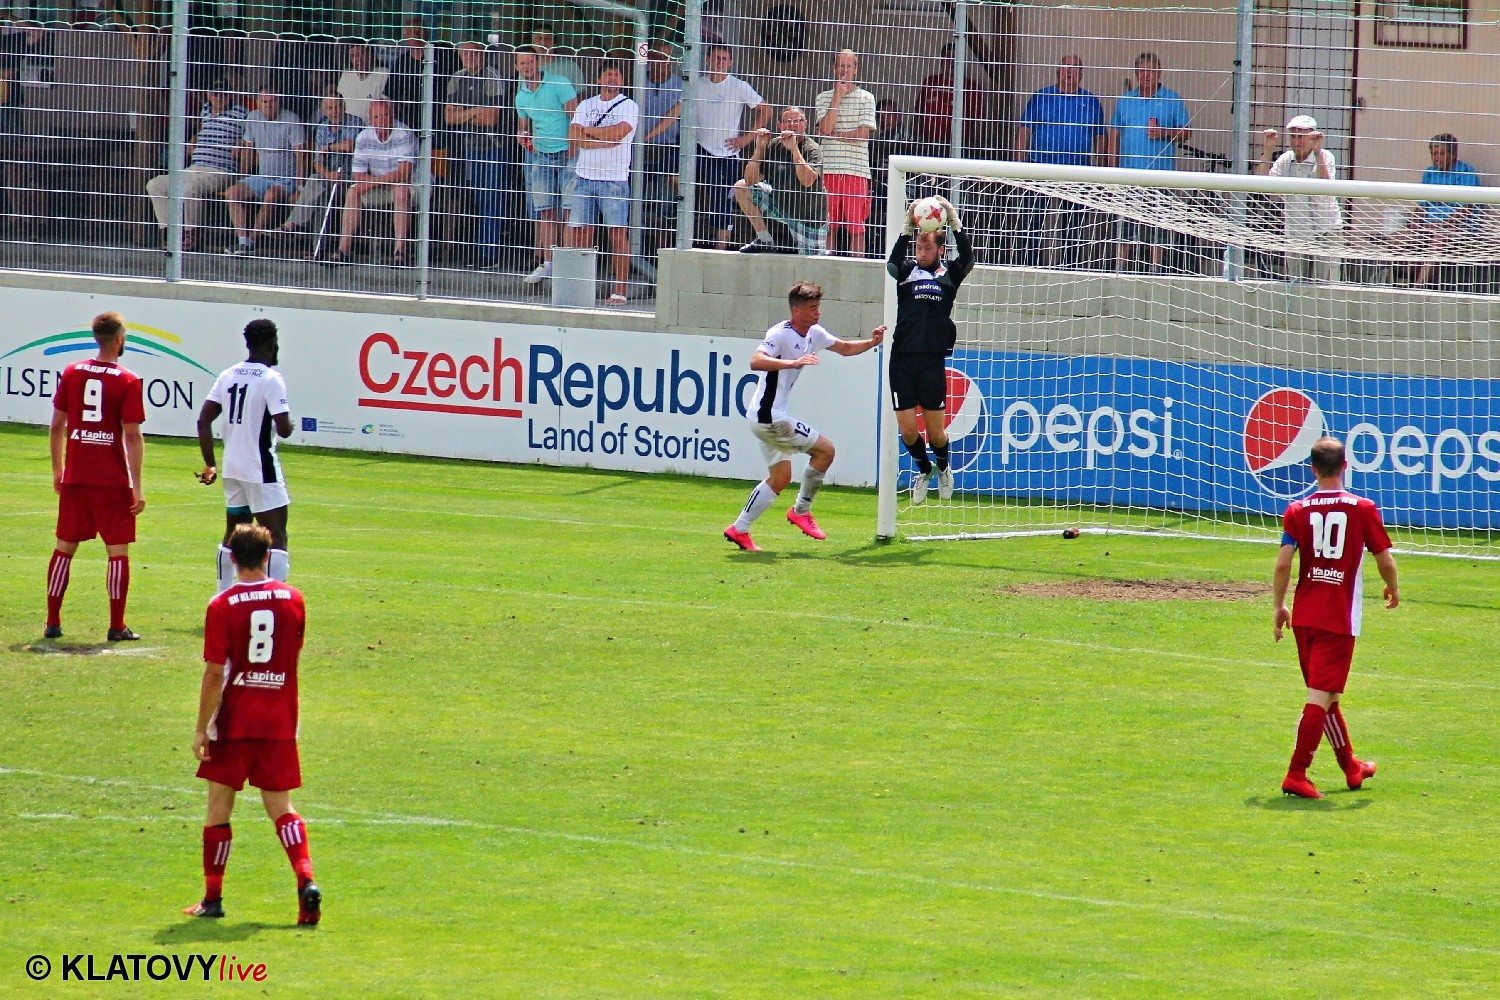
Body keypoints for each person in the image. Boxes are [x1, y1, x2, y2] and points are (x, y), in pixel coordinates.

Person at [183, 523, 319, 926]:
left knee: (218, 806)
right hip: (280, 718)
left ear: (231, 558)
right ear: (268, 556)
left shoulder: (222, 605)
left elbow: (214, 673)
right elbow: (293, 652)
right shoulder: (294, 598)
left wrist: (201, 727)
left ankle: (212, 898)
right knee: (282, 808)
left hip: (235, 720)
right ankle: (306, 879)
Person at [1273, 436, 1400, 800]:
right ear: (1345, 466)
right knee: (1320, 696)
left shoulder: (1296, 510)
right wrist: (1393, 587)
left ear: (1312, 469)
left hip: (1304, 615)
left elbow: (1283, 564)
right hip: (1338, 619)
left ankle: (1350, 766)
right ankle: (1296, 773)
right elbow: (1384, 559)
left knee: (1327, 696)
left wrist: (1279, 606)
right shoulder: (1362, 508)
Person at [723, 281, 884, 552]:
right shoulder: (780, 334)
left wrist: (872, 342)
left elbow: (845, 348)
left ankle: (739, 529)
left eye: (818, 307)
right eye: (812, 308)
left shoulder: (814, 333)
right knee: (826, 451)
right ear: (796, 311)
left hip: (764, 417)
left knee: (780, 478)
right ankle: (801, 511)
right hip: (770, 418)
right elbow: (755, 361)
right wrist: (793, 362)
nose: (817, 312)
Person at [44, 310, 146, 642]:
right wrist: (137, 487)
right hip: (112, 479)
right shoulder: (128, 380)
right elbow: (132, 435)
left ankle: (52, 621)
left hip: (77, 476)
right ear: (119, 339)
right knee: (117, 551)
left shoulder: (72, 372)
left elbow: (57, 425)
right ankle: (116, 625)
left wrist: (58, 469)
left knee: (64, 547)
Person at [886, 196, 973, 503]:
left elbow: (968, 259)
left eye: (927, 248)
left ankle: (944, 468)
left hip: (932, 361)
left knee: (936, 433)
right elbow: (892, 264)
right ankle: (924, 470)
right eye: (918, 247)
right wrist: (907, 226)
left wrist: (953, 219)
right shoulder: (907, 271)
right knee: (908, 431)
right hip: (901, 359)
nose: (921, 253)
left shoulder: (949, 274)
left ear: (940, 250)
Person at [197, 319, 294, 594]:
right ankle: (274, 598)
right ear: (272, 344)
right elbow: (284, 429)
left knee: (234, 534)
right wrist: (290, 424)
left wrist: (210, 463)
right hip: (261, 469)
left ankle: (222, 596)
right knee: (276, 536)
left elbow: (203, 420)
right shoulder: (271, 379)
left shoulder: (228, 375)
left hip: (233, 467)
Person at [1016, 55, 1106, 267]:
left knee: (1073, 227)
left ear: (1081, 75)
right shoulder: (1041, 97)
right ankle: (1030, 267)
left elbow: (1100, 137)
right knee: (1032, 223)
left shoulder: (1091, 101)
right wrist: (1018, 168)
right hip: (1040, 169)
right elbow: (1024, 131)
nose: (1069, 72)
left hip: (1077, 172)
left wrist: (1101, 173)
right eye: (1065, 67)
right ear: (1057, 72)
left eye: (1075, 68)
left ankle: (1070, 268)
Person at [1107, 53, 1190, 271]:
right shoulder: (1125, 100)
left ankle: (1155, 270)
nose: (1146, 75)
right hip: (1128, 176)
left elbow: (1187, 132)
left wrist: (1163, 132)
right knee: (1125, 228)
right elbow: (1114, 134)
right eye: (1141, 71)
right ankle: (1120, 270)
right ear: (1136, 73)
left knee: (1158, 228)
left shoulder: (1172, 99)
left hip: (1160, 177)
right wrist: (1111, 170)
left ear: (1159, 73)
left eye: (1150, 71)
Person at [144, 79, 247, 252]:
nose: (219, 98)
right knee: (155, 184)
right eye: (215, 94)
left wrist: (242, 142)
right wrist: (194, 138)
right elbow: (202, 129)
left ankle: (191, 234)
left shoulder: (241, 113)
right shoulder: (205, 110)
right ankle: (171, 232)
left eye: (224, 94)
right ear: (208, 95)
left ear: (230, 96)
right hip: (195, 167)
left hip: (220, 171)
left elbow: (252, 135)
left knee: (188, 188)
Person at [567, 61, 639, 305]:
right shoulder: (586, 104)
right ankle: (582, 288)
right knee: (581, 232)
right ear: (599, 79)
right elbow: (574, 136)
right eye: (608, 74)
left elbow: (618, 134)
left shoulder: (629, 105)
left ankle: (620, 290)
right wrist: (601, 139)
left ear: (622, 80)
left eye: (617, 74)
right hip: (584, 177)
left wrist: (588, 131)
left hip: (614, 180)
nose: (613, 78)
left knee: (617, 234)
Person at [689, 45, 770, 249]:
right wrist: (650, 134)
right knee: (674, 176)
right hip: (699, 149)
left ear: (730, 62)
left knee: (722, 200)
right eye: (716, 57)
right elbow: (678, 109)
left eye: (724, 58)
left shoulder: (739, 86)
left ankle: (720, 250)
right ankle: (681, 231)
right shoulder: (696, 85)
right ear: (708, 59)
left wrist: (746, 139)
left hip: (727, 154)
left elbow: (766, 110)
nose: (720, 62)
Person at [514, 45, 579, 286]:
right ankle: (548, 263)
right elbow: (523, 126)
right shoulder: (521, 95)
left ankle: (568, 264)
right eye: (522, 63)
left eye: (530, 62)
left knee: (569, 211)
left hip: (568, 154)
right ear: (516, 66)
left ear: (538, 62)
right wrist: (523, 136)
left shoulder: (560, 83)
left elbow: (576, 118)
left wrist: (573, 150)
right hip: (541, 156)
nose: (527, 66)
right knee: (545, 212)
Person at [325, 99, 417, 267]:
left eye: (385, 115)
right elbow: (357, 175)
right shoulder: (363, 137)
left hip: (410, 185)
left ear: (392, 115)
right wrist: (378, 182)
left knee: (401, 190)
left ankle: (400, 252)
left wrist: (373, 181)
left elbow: (404, 174)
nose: (381, 121)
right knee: (353, 191)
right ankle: (343, 249)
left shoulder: (404, 133)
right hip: (379, 184)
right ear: (370, 119)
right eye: (376, 117)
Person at [1255, 114, 1340, 282]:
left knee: (1326, 289)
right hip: (1295, 233)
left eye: (1301, 136)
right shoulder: (1285, 159)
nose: (1296, 141)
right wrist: (1268, 150)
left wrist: (1317, 153)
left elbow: (1326, 187)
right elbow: (1262, 185)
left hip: (1326, 231)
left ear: (1312, 137)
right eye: (1293, 136)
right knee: (1297, 289)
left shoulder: (1325, 156)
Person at [443, 41, 506, 270]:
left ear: (483, 55)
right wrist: (477, 111)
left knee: (491, 198)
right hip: (470, 147)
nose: (470, 57)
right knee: (478, 198)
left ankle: (490, 254)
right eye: (465, 54)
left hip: (493, 146)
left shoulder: (492, 76)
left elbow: (491, 119)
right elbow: (448, 117)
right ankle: (480, 250)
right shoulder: (457, 78)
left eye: (474, 53)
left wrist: (464, 113)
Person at [223, 90, 308, 257]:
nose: (269, 105)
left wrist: (300, 187)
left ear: (279, 102)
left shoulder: (291, 119)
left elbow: (301, 156)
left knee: (270, 195)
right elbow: (247, 151)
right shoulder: (253, 117)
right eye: (264, 101)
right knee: (232, 193)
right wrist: (242, 178)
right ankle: (242, 240)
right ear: (258, 102)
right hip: (262, 177)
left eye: (273, 101)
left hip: (286, 179)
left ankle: (251, 242)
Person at [732, 106, 826, 256]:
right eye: (787, 121)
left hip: (808, 216)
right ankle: (764, 240)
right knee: (741, 186)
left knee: (812, 262)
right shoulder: (774, 145)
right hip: (780, 204)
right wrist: (759, 148)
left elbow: (807, 181)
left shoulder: (812, 149)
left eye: (797, 121)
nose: (792, 125)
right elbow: (750, 180)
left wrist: (794, 150)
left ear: (805, 124)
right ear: (779, 125)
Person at [814, 49, 877, 257]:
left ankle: (857, 265)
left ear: (856, 70)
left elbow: (862, 134)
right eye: (841, 66)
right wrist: (837, 97)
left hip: (856, 170)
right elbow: (825, 128)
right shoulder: (823, 98)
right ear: (834, 68)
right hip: (829, 169)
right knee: (828, 224)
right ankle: (826, 259)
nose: (845, 70)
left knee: (856, 226)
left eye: (849, 66)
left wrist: (834, 134)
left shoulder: (866, 97)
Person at [279, 90, 364, 237]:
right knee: (318, 188)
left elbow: (349, 146)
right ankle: (316, 247)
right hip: (329, 179)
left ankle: (290, 226)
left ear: (344, 106)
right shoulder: (322, 128)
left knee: (317, 187)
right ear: (324, 111)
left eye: (337, 106)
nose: (335, 111)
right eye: (330, 108)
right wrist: (329, 174)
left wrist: (329, 147)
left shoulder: (355, 122)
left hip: (351, 181)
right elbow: (317, 163)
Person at [1411, 132, 1482, 288]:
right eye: (1434, 154)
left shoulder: (1466, 172)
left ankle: (1418, 287)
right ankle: (1390, 281)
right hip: (1429, 225)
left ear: (1453, 154)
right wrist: (1415, 221)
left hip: (1458, 227)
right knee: (1397, 238)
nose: (1436, 158)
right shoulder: (1429, 173)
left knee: (1438, 237)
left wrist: (1441, 224)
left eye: (1441, 154)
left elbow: (1466, 209)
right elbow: (1421, 206)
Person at [336, 43, 389, 123]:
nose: (358, 58)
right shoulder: (346, 74)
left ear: (370, 54)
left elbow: (387, 105)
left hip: (374, 127)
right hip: (350, 127)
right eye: (353, 55)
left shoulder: (383, 73)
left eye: (361, 54)